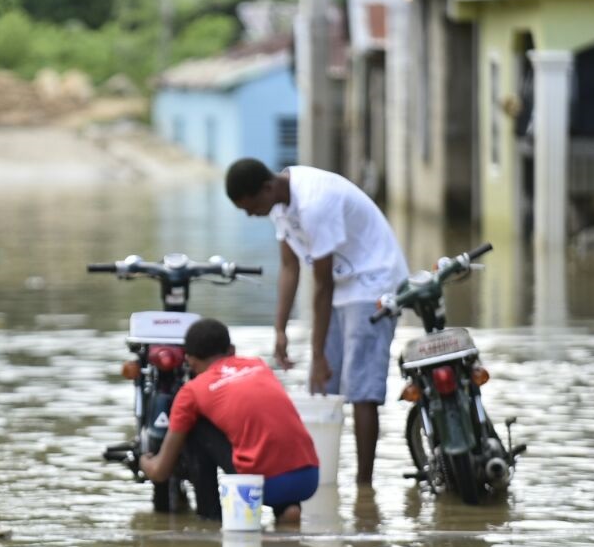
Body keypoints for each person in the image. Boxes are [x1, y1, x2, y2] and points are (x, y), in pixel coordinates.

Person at [224, 157, 408, 485]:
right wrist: (279, 329)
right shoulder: (278, 204)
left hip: (373, 280)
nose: (250, 215)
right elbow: (290, 268)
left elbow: (321, 285)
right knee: (320, 387)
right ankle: (320, 481)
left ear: (267, 188)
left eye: (250, 207)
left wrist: (319, 353)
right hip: (341, 283)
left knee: (361, 388)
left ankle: (364, 488)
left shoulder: (315, 203)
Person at [138, 318, 320, 525]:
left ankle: (210, 519)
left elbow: (160, 472)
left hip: (261, 486)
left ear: (190, 361)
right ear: (231, 350)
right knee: (257, 435)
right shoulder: (258, 365)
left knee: (194, 426)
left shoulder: (191, 391)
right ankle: (288, 509)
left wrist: (144, 461)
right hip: (309, 477)